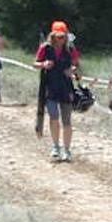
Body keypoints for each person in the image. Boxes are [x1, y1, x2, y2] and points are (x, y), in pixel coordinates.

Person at [34, 20, 80, 161]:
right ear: (52, 35)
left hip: (66, 88)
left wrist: (72, 70)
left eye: (63, 36)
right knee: (54, 118)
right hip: (50, 88)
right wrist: (43, 64)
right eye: (58, 36)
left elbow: (77, 67)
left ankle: (67, 150)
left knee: (67, 121)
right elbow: (35, 63)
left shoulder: (70, 50)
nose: (61, 39)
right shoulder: (45, 48)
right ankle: (55, 146)